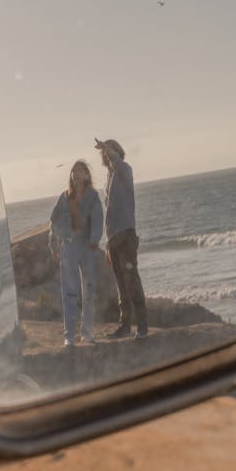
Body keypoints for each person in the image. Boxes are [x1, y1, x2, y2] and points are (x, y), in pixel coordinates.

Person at [95, 138, 148, 339]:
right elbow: (109, 214)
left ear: (116, 152)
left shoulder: (125, 170)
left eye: (110, 151)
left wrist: (107, 148)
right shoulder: (108, 178)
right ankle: (125, 326)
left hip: (126, 234)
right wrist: (107, 243)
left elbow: (116, 160)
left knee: (132, 280)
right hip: (114, 237)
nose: (106, 155)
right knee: (121, 285)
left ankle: (142, 326)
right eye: (104, 153)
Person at [49, 160, 104, 346]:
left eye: (80, 170)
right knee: (69, 293)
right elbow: (54, 222)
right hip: (68, 248)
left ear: (86, 175)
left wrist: (95, 239)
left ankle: (87, 332)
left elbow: (98, 218)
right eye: (73, 171)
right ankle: (69, 335)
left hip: (87, 248)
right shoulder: (65, 197)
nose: (76, 173)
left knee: (89, 291)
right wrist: (54, 245)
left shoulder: (93, 196)